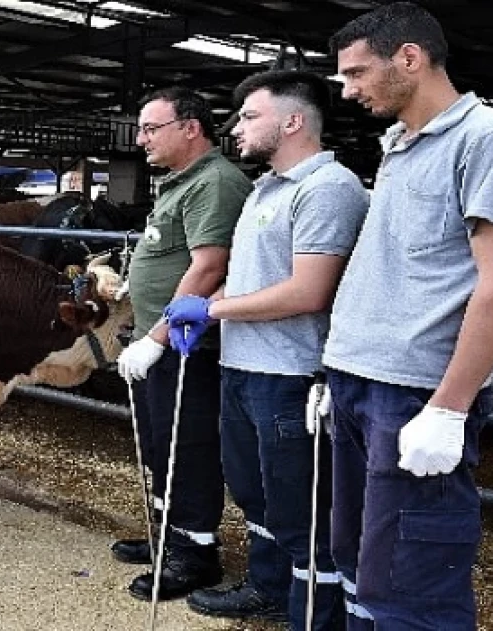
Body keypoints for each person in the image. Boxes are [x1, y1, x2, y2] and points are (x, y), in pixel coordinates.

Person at [325, 4, 493, 629]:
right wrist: (339, 366)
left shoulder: (491, 138)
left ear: (410, 59)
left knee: (409, 585)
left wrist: (448, 408)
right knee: (360, 565)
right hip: (358, 381)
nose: (348, 88)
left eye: (357, 73)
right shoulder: (398, 146)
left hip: (413, 393)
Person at [162, 70, 368, 629]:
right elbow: (250, 278)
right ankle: (271, 586)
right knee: (255, 492)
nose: (237, 127)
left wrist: (211, 310)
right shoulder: (263, 189)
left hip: (292, 375)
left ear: (293, 121)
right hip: (242, 366)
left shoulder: (327, 189)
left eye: (250, 116)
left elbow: (309, 290)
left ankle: (315, 615)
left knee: (300, 505)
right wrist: (208, 310)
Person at [112, 87, 251, 600]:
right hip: (164, 342)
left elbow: (211, 265)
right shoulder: (179, 183)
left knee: (186, 447)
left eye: (151, 128)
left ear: (190, 128)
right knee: (159, 444)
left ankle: (196, 555)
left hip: (188, 346)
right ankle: (166, 537)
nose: (142, 139)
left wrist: (155, 337)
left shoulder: (214, 182)